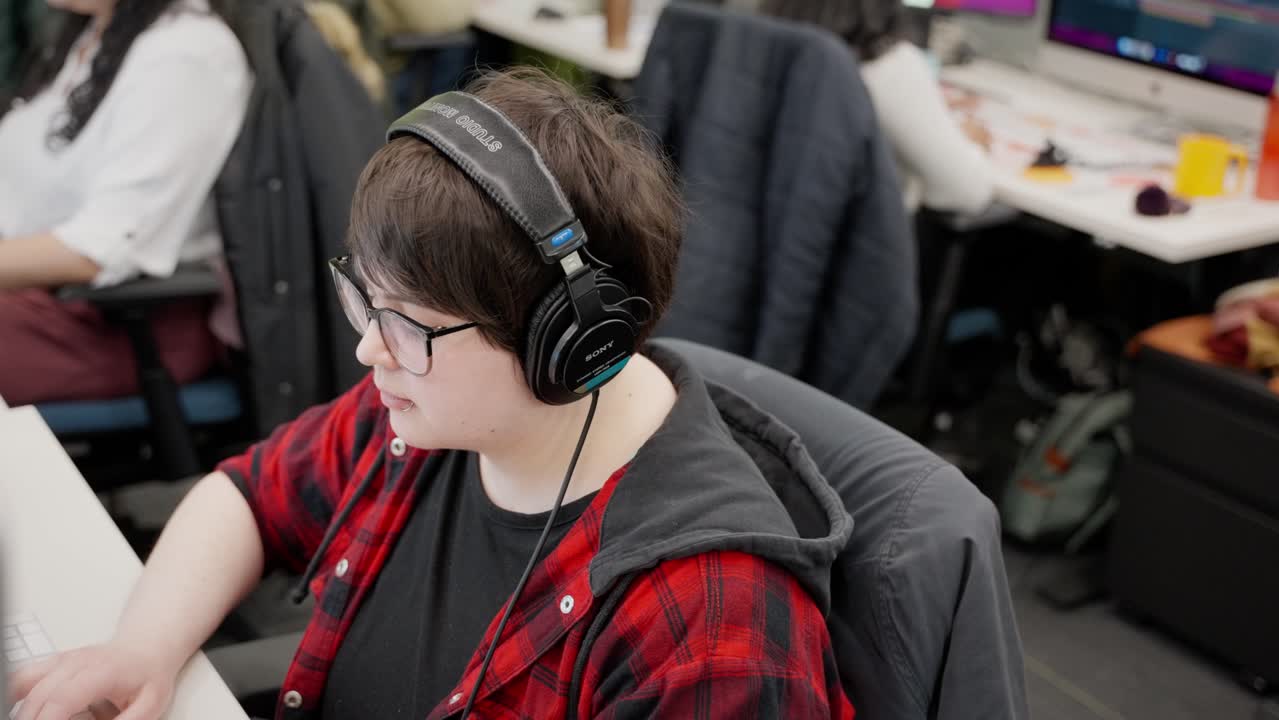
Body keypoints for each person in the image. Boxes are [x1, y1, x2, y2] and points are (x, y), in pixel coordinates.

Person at [8, 69, 856, 719]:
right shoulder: (427, 414)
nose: (367, 346)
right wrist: (143, 650)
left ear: (566, 346)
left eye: (409, 323)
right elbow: (249, 495)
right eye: (362, 299)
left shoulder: (710, 624)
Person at [0, 0, 251, 406]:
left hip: (118, 325)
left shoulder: (184, 51)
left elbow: (99, 248)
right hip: (39, 302)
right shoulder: (92, 34)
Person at [760, 0, 995, 215]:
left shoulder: (762, 47)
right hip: (857, 248)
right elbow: (968, 192)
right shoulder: (886, 64)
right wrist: (974, 144)